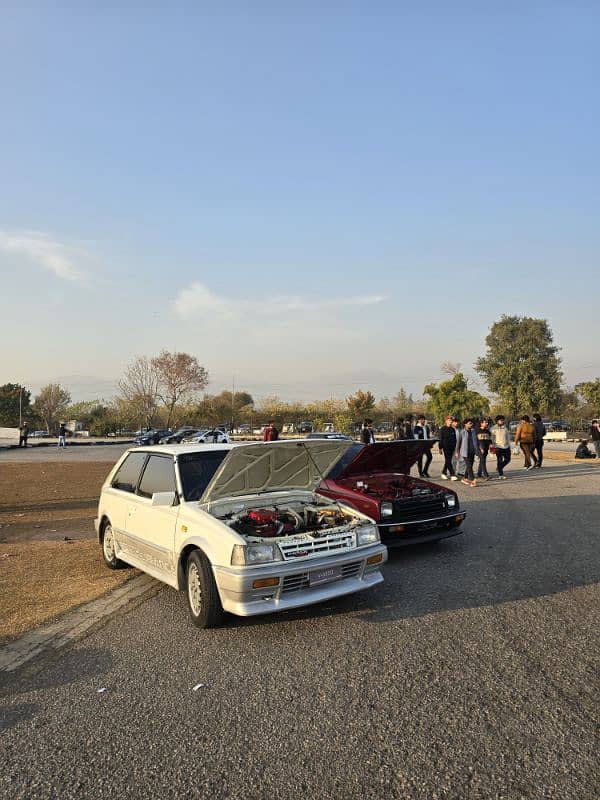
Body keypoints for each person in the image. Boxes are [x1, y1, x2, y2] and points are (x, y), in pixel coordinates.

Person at [455, 418, 478, 486]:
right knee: (469, 466)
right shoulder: (462, 432)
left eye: (471, 423)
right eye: (469, 423)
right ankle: (472, 480)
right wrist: (457, 451)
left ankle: (464, 478)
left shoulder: (473, 431)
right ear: (465, 424)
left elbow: (476, 441)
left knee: (469, 466)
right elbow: (458, 443)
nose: (471, 424)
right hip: (465, 452)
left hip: (472, 451)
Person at [438, 415, 458, 480]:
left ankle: (443, 473)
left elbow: (455, 440)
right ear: (446, 421)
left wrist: (455, 448)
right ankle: (452, 474)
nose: (451, 421)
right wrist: (440, 448)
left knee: (448, 460)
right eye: (449, 420)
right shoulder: (442, 429)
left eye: (451, 420)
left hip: (452, 447)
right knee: (448, 460)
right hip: (445, 447)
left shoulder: (453, 429)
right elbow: (440, 439)